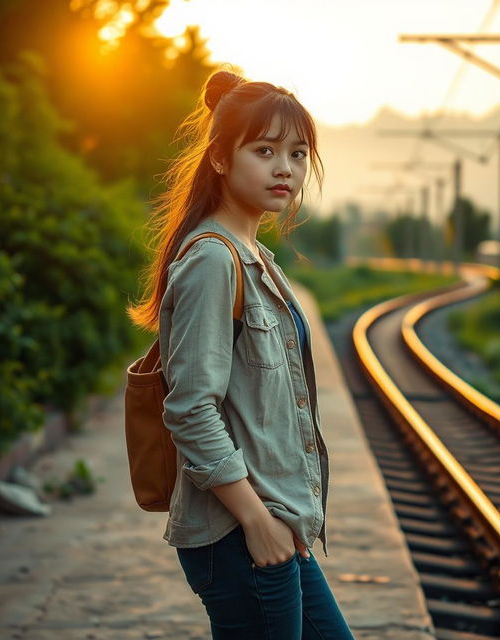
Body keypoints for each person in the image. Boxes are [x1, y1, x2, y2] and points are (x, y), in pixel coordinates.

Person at [127, 66, 354, 639]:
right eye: (265, 150)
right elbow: (190, 410)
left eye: (299, 153)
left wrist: (279, 523)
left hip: (277, 525)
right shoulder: (211, 261)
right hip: (241, 534)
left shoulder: (256, 258)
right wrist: (258, 522)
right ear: (221, 159)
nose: (286, 168)